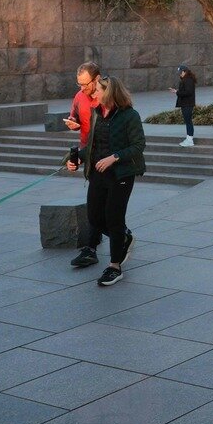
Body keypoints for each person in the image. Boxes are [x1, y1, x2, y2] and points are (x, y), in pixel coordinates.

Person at [65, 75, 145, 286]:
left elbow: (138, 146)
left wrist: (114, 157)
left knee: (114, 219)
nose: (94, 94)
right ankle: (123, 238)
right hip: (97, 175)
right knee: (94, 217)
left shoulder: (130, 116)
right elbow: (92, 146)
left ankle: (115, 266)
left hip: (121, 175)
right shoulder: (96, 114)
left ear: (109, 92)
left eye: (98, 90)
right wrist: (74, 160)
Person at [64, 62, 106, 269]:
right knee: (96, 205)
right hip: (88, 153)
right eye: (79, 84)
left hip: (107, 156)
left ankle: (106, 241)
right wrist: (72, 122)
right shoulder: (79, 96)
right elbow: (75, 115)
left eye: (85, 84)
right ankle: (92, 247)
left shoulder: (108, 96)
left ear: (97, 79)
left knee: (101, 206)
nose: (82, 88)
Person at [175, 65, 197, 146]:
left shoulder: (188, 80)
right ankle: (189, 138)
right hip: (186, 103)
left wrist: (177, 92)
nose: (180, 74)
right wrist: (177, 91)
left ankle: (190, 139)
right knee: (188, 121)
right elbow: (186, 91)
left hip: (187, 104)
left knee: (188, 122)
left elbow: (188, 92)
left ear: (184, 72)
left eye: (181, 72)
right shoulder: (187, 80)